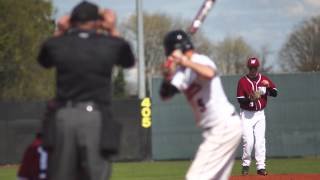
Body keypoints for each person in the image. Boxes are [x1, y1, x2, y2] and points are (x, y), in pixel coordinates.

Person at [37, 1, 135, 180]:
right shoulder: (109, 44)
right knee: (97, 175)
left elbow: (43, 60)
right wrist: (112, 28)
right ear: (98, 22)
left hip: (64, 116)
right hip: (95, 117)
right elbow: (129, 60)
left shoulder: (58, 44)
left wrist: (60, 30)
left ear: (72, 21)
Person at [159, 30, 242, 180]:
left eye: (170, 53)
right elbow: (166, 95)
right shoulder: (181, 72)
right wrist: (167, 77)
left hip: (223, 126)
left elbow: (209, 73)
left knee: (194, 177)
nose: (170, 56)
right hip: (217, 129)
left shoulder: (200, 59)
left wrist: (186, 61)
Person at [236, 57, 278, 176]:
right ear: (248, 68)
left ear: (257, 68)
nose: (253, 70)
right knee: (248, 142)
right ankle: (245, 165)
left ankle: (261, 167)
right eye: (251, 68)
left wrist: (268, 86)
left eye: (254, 68)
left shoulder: (263, 79)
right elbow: (240, 100)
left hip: (260, 114)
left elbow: (275, 93)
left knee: (260, 141)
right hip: (247, 114)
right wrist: (250, 98)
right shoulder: (242, 81)